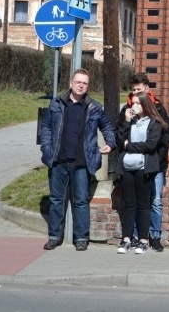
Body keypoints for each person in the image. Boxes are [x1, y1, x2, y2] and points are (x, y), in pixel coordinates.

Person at [40, 69, 115, 251]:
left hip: (82, 162)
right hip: (58, 160)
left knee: (81, 201)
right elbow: (46, 127)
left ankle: (81, 237)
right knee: (57, 200)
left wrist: (110, 142)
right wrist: (46, 148)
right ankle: (54, 236)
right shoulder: (56, 104)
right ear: (71, 83)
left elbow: (106, 125)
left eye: (85, 83)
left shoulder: (93, 107)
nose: (81, 85)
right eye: (78, 82)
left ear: (88, 86)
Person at [118, 73, 169, 252]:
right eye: (133, 91)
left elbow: (158, 141)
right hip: (130, 165)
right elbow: (120, 137)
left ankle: (153, 237)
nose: (134, 95)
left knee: (153, 201)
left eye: (138, 90)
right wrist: (126, 139)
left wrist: (155, 157)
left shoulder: (157, 112)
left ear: (146, 90)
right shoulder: (127, 113)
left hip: (151, 164)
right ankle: (131, 237)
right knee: (131, 202)